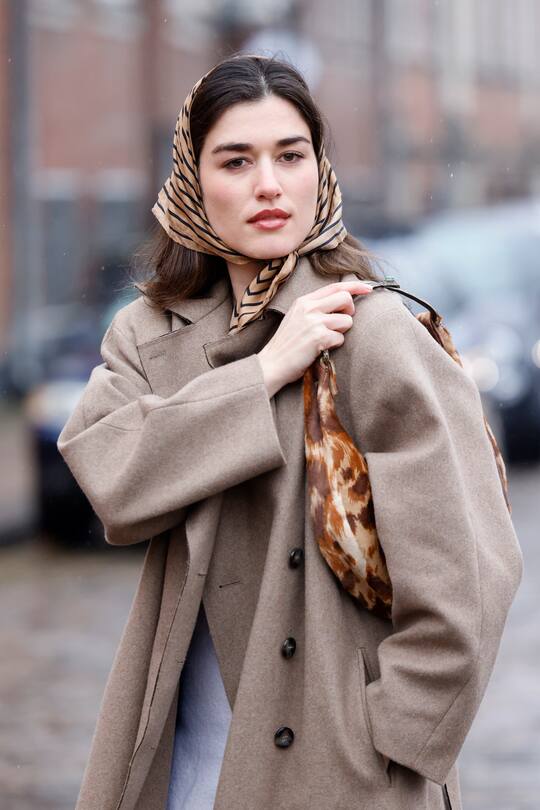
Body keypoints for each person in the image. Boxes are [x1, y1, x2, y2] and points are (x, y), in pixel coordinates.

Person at [57, 54, 523, 810]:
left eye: (291, 155)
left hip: (334, 761)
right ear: (193, 180)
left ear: (320, 170)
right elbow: (112, 481)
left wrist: (387, 740)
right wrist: (266, 370)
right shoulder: (150, 334)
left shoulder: (374, 331)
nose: (269, 185)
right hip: (179, 747)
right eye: (236, 161)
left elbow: (470, 573)